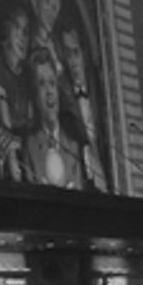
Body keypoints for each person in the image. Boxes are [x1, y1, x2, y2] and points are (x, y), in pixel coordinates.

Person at [0, 0, 34, 181]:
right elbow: (4, 126)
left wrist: (21, 142)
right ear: (6, 28)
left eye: (26, 32)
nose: (23, 37)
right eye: (17, 28)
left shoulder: (29, 73)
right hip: (1, 160)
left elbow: (34, 127)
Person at [23, 46, 89, 189]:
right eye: (42, 84)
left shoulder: (73, 144)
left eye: (52, 83)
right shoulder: (29, 145)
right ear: (34, 94)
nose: (49, 92)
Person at [56, 23, 110, 192]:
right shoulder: (62, 99)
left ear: (84, 53)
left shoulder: (103, 91)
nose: (72, 61)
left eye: (75, 52)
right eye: (67, 54)